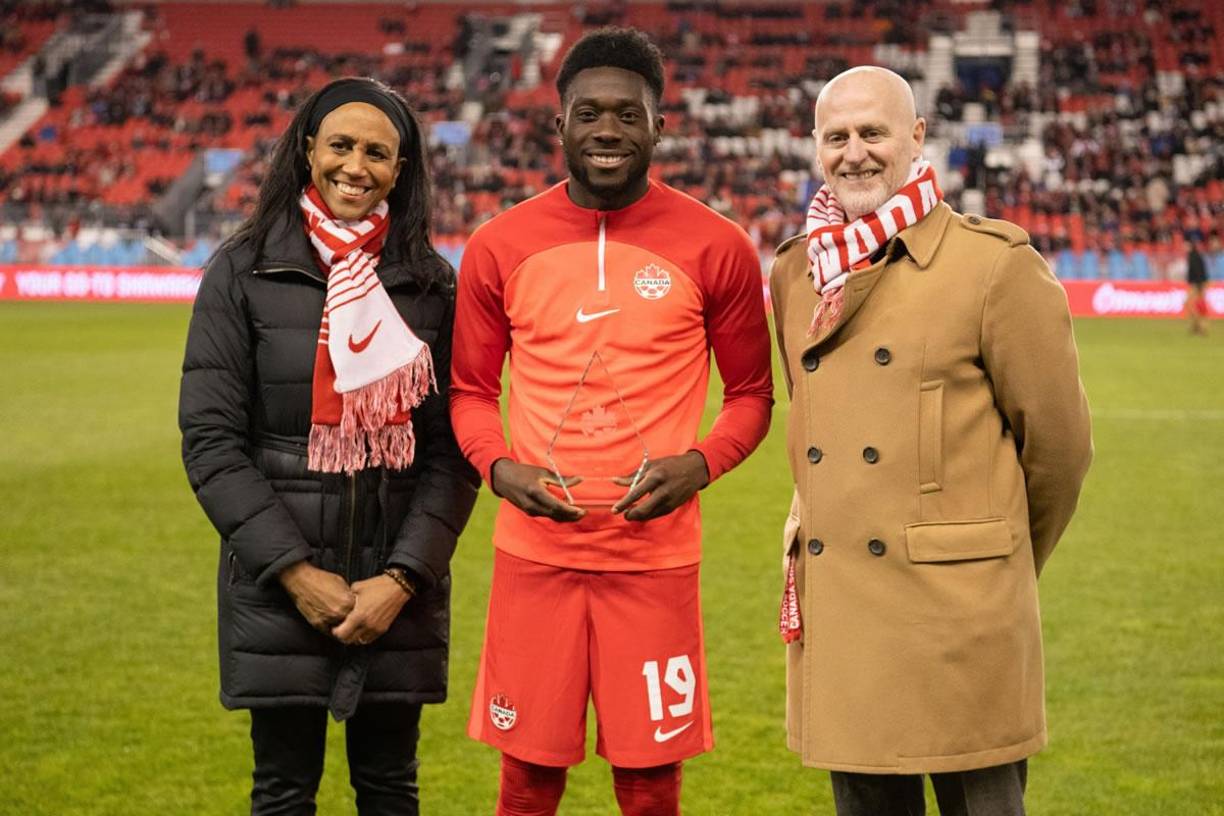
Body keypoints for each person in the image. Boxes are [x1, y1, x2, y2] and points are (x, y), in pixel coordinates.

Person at [449, 27, 773, 816]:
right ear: (558, 123)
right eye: (589, 113)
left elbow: (752, 396)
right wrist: (499, 468)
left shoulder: (719, 247)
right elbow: (468, 392)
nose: (608, 131)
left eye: (629, 115)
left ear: (660, 126)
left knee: (650, 781)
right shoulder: (497, 246)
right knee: (528, 778)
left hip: (654, 563)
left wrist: (699, 465)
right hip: (535, 560)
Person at [769, 66, 1093, 816]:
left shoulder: (994, 265)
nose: (854, 153)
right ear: (815, 146)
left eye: (872, 133)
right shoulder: (795, 275)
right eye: (836, 137)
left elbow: (1060, 453)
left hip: (960, 623)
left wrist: (992, 564)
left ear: (915, 138)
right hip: (847, 612)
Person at [179, 77, 478, 815]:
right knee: (283, 792)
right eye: (340, 145)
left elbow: (451, 453)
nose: (356, 166)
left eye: (377, 153)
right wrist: (294, 573)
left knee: (390, 787)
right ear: (308, 150)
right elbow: (212, 441)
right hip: (278, 588)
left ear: (400, 170)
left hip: (396, 590)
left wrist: (402, 579)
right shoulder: (243, 270)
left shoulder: (431, 283)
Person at [1186, 237, 1209, 335]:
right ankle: (1197, 326)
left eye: (1186, 245)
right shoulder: (1197, 255)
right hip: (1200, 283)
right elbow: (1202, 270)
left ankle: (1199, 326)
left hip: (1197, 284)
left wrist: (1198, 285)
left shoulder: (1192, 256)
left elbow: (1196, 271)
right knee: (1199, 306)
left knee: (1189, 304)